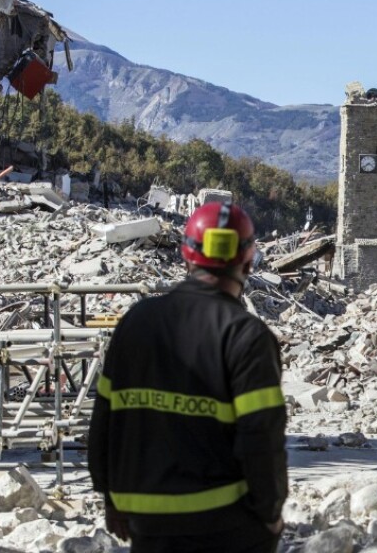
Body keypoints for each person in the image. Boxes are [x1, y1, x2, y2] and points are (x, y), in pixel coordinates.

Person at [88, 201, 287, 553]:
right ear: (248, 261)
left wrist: (110, 497)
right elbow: (261, 438)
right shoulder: (247, 336)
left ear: (186, 257)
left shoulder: (136, 322)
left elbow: (105, 418)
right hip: (225, 523)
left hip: (146, 523)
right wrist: (271, 511)